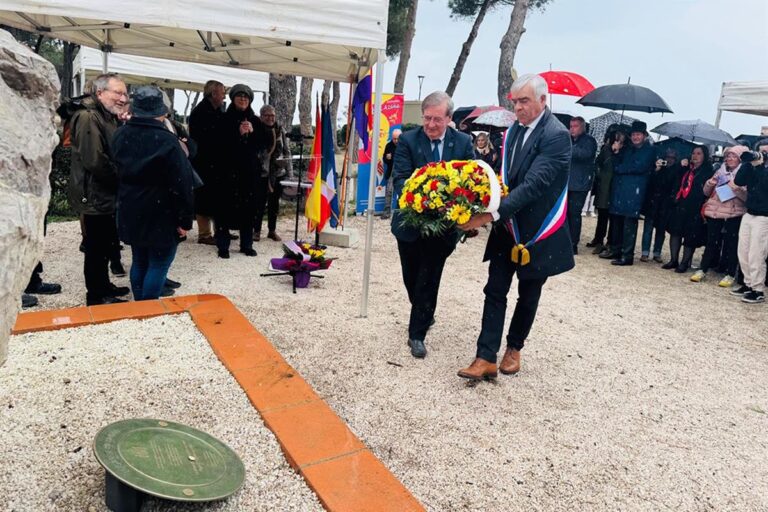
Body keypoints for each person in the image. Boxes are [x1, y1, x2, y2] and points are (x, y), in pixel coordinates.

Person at [456, 74, 573, 381]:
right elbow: (505, 179)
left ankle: (514, 347)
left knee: (528, 293)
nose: (518, 108)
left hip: (537, 229)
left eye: (524, 101)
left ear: (543, 100)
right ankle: (485, 357)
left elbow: (534, 185)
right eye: (515, 101)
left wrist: (488, 216)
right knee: (494, 289)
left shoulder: (556, 135)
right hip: (507, 226)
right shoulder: (513, 132)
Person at [390, 91, 474, 359]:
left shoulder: (463, 143)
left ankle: (417, 334)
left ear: (449, 118)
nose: (431, 124)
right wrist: (425, 200)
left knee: (429, 276)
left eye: (437, 119)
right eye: (427, 118)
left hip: (444, 228)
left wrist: (454, 208)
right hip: (409, 225)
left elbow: (470, 181)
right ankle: (424, 311)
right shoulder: (408, 140)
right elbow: (400, 178)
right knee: (411, 277)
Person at [112, 86, 195, 301]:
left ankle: (140, 306)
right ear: (161, 111)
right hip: (161, 210)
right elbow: (181, 183)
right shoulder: (167, 140)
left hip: (130, 205)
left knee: (139, 260)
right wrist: (185, 220)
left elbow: (112, 170)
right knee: (159, 262)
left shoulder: (120, 135)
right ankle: (147, 308)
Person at [68, 72, 131, 305]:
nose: (123, 98)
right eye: (118, 93)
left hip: (105, 191)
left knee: (105, 243)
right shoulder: (88, 117)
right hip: (94, 192)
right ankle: (96, 295)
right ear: (100, 92)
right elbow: (94, 160)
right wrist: (120, 179)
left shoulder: (106, 115)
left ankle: (104, 285)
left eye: (125, 93)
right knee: (95, 246)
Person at [214, 84, 273, 258]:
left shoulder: (255, 121)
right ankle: (223, 246)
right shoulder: (224, 119)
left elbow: (263, 145)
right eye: (239, 96)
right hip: (228, 173)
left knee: (249, 209)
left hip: (249, 174)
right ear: (233, 99)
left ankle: (246, 244)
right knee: (224, 210)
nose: (243, 99)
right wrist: (237, 133)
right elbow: (219, 144)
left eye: (246, 97)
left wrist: (253, 133)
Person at [691, 145, 749, 285]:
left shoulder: (744, 174)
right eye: (728, 156)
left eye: (734, 156)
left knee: (731, 244)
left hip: (734, 213)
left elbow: (747, 198)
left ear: (740, 159)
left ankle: (730, 273)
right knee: (711, 242)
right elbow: (706, 192)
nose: (730, 159)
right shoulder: (720, 171)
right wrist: (710, 184)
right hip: (716, 211)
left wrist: (736, 189)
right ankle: (703, 269)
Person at [600, 121, 655, 266]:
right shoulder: (627, 149)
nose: (635, 137)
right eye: (634, 134)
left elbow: (639, 167)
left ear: (644, 135)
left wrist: (622, 168)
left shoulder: (649, 150)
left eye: (638, 134)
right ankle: (616, 250)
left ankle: (627, 254)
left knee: (629, 223)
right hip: (620, 189)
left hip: (635, 191)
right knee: (617, 221)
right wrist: (616, 151)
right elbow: (616, 164)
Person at [664, 146, 714, 273]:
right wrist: (680, 167)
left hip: (695, 207)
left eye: (698, 153)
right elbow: (672, 180)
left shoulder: (708, 171)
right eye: (693, 153)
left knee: (690, 236)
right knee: (675, 232)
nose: (695, 156)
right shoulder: (686, 168)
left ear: (704, 156)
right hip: (681, 204)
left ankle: (684, 263)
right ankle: (673, 259)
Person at [189, 80, 226, 245]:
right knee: (203, 197)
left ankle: (219, 229)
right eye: (222, 93)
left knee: (216, 196)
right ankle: (204, 234)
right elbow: (205, 138)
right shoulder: (201, 112)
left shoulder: (217, 110)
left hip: (215, 162)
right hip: (204, 161)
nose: (224, 96)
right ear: (213, 94)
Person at [732, 139, 768, 304]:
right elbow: (739, 181)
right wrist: (748, 162)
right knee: (743, 251)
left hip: (764, 217)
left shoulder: (762, 169)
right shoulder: (753, 166)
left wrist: (760, 166)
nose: (763, 154)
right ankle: (748, 284)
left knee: (756, 253)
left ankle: (758, 289)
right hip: (749, 212)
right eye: (761, 151)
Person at [256, 104, 292, 241]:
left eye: (273, 115)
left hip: (277, 172)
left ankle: (272, 230)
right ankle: (256, 231)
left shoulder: (280, 130)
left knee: (274, 203)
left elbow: (286, 150)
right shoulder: (257, 129)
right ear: (261, 116)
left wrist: (289, 172)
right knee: (259, 203)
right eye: (267, 115)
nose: (270, 118)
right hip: (261, 173)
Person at [589, 125, 626, 254]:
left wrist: (617, 153)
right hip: (604, 186)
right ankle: (598, 239)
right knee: (602, 215)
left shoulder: (625, 151)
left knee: (613, 218)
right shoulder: (606, 149)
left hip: (616, 187)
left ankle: (610, 242)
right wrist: (600, 174)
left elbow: (621, 167)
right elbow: (597, 163)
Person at [639, 149, 679, 262]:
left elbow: (674, 187)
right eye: (668, 157)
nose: (669, 160)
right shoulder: (657, 167)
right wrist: (656, 169)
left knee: (661, 230)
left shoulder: (676, 171)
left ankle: (657, 252)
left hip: (665, 204)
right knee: (648, 229)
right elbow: (649, 182)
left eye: (672, 158)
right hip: (653, 202)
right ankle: (645, 252)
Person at [566, 116, 597, 254]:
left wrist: (568, 147)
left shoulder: (589, 141)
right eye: (571, 126)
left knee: (574, 214)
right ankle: (564, 240)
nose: (572, 129)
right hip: (567, 183)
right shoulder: (569, 140)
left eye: (575, 126)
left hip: (580, 184)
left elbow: (584, 154)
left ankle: (573, 244)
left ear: (583, 127)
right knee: (565, 214)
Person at [381, 129, 402, 219]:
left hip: (403, 171)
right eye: (394, 139)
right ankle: (386, 212)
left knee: (403, 191)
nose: (396, 141)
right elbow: (385, 159)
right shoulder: (389, 146)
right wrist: (387, 158)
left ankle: (403, 213)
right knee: (389, 191)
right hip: (392, 171)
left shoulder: (405, 145)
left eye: (397, 139)